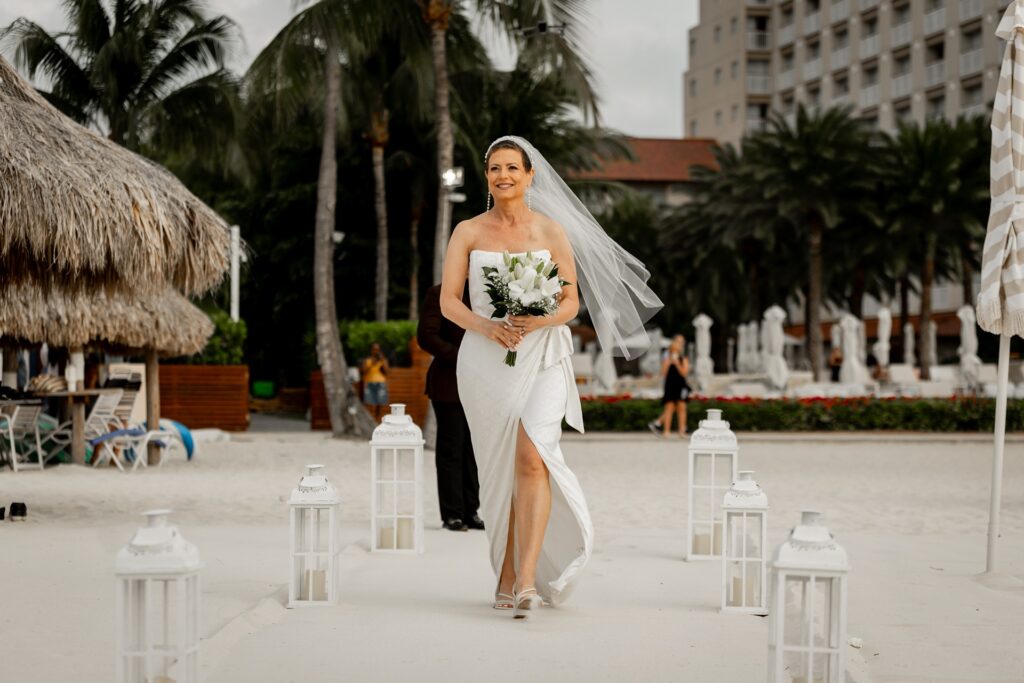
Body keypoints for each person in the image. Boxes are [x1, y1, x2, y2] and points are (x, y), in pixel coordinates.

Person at [439, 135, 661, 620]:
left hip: (543, 358)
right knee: (500, 473)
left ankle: (524, 580)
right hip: (484, 361)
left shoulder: (551, 231)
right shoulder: (468, 232)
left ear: (530, 175)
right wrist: (488, 327)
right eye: (494, 168)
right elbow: (449, 302)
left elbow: (570, 302)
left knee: (532, 455)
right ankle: (504, 571)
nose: (503, 176)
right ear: (487, 175)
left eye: (512, 168)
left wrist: (537, 320)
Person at [417, 283, 484, 533]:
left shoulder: (490, 292)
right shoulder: (441, 292)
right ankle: (453, 514)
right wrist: (462, 357)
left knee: (473, 449)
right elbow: (426, 336)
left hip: (483, 384)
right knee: (451, 447)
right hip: (449, 383)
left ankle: (472, 510)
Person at [647, 335, 691, 438]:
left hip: (681, 386)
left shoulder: (683, 359)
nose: (675, 352)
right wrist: (669, 362)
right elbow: (662, 373)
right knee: (669, 408)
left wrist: (677, 364)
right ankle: (666, 431)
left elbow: (684, 373)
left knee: (682, 408)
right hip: (670, 385)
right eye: (673, 350)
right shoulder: (667, 359)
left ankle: (682, 431)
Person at [360, 343, 389, 422]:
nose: (376, 351)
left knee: (380, 404)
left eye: (377, 350)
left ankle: (377, 421)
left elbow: (387, 372)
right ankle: (370, 421)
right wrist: (372, 363)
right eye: (374, 349)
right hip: (369, 383)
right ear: (371, 350)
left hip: (381, 383)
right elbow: (363, 372)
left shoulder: (383, 360)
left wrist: (382, 360)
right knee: (369, 404)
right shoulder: (367, 360)